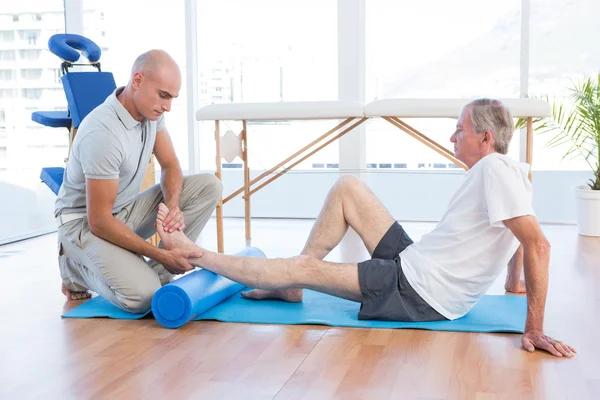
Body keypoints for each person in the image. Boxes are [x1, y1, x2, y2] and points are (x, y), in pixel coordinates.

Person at [153, 98, 576, 358]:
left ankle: (192, 251)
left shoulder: (495, 170)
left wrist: (533, 327)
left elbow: (537, 244)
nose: (452, 136)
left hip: (419, 291)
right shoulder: (510, 172)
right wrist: (512, 286)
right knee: (348, 188)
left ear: (485, 138)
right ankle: (292, 285)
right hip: (418, 263)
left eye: (460, 129)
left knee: (304, 267)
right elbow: (519, 237)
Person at [55, 50, 221, 313]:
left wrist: (173, 208)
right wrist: (161, 253)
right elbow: (99, 222)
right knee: (142, 298)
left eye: (172, 98)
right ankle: (74, 270)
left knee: (209, 186)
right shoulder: (103, 134)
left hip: (123, 211)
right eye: (163, 96)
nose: (167, 106)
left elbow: (170, 165)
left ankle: (157, 274)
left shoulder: (152, 114)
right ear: (137, 81)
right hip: (84, 224)